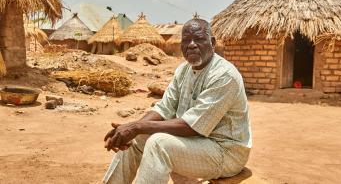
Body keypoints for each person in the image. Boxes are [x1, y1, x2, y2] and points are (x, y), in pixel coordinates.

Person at [103, 18, 252, 184]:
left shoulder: (224, 75)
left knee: (158, 144)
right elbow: (164, 108)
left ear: (212, 43)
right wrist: (129, 131)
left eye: (199, 39)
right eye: (186, 40)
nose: (192, 45)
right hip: (197, 144)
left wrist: (136, 126)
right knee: (137, 138)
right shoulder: (183, 70)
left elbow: (193, 126)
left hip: (225, 152)